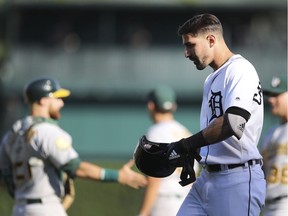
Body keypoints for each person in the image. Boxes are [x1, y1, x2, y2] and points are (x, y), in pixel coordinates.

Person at [141, 13, 266, 216]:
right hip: (207, 180)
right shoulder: (211, 79)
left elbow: (233, 122)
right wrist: (193, 154)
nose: (186, 53)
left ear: (211, 40)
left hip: (237, 179)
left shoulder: (240, 70)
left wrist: (186, 145)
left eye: (190, 44)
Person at [0, 77, 147, 216]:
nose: (61, 103)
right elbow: (76, 168)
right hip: (46, 208)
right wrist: (118, 176)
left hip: (19, 208)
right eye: (57, 98)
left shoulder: (11, 135)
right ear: (43, 101)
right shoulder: (47, 131)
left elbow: (6, 178)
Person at [137, 85, 199, 216]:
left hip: (165, 203)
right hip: (187, 203)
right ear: (174, 106)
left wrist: (143, 213)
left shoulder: (155, 133)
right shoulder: (185, 133)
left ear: (151, 106)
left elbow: (155, 179)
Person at [260, 75, 288, 216]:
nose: (271, 99)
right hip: (268, 205)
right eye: (270, 95)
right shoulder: (271, 133)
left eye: (277, 95)